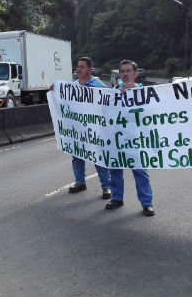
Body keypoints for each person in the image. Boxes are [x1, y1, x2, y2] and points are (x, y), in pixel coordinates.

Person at [104, 60, 155, 216]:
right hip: (116, 139)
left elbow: (151, 114)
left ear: (135, 74)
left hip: (136, 140)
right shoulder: (113, 92)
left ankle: (147, 203)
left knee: (140, 171)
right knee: (115, 169)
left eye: (128, 71)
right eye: (122, 71)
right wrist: (57, 90)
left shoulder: (144, 93)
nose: (125, 74)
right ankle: (117, 198)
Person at [65, 57, 112, 198]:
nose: (78, 69)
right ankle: (80, 182)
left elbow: (109, 104)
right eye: (77, 66)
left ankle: (106, 186)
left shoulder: (98, 86)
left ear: (90, 70)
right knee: (77, 155)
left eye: (82, 67)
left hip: (94, 129)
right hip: (78, 129)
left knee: (98, 157)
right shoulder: (73, 86)